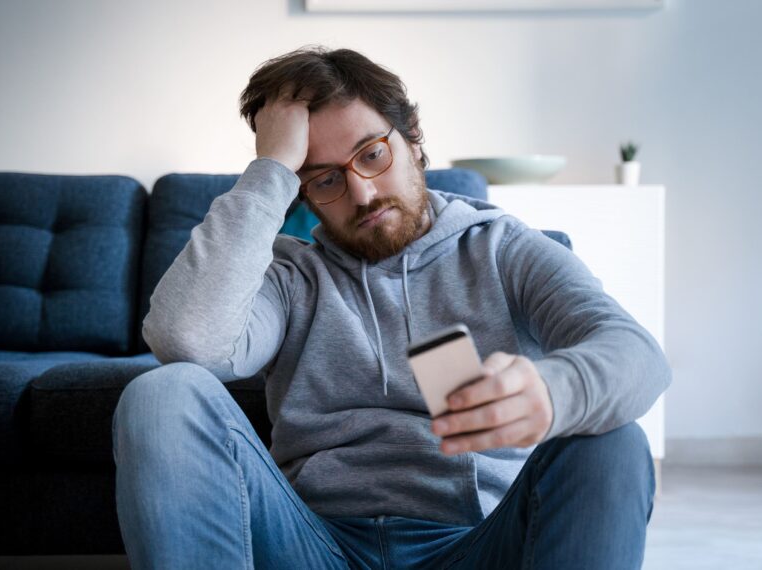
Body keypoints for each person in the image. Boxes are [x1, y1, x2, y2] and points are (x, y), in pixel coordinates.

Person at [112, 46, 671, 569]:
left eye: (372, 155)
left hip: (474, 543)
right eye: (324, 179)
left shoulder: (501, 248)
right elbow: (188, 341)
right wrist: (272, 170)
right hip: (315, 544)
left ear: (414, 140)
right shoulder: (288, 275)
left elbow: (637, 354)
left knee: (616, 441)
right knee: (162, 394)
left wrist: (552, 392)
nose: (362, 193)